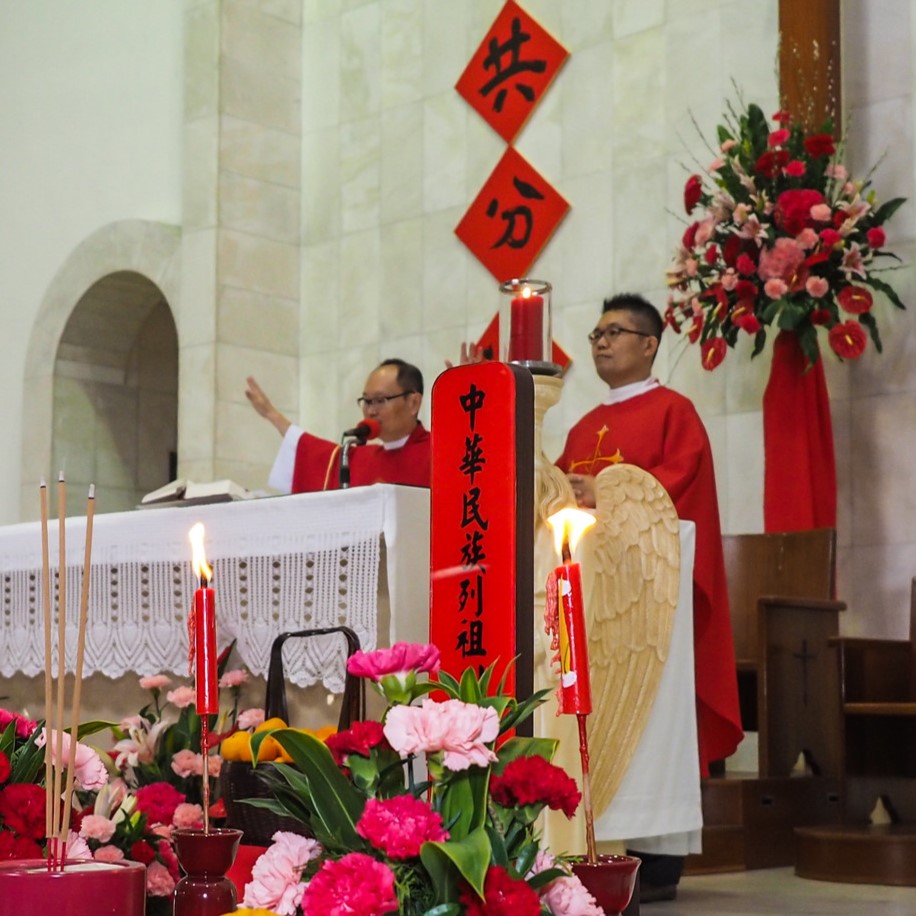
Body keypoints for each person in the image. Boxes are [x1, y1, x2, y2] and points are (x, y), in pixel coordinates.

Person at [555, 293, 743, 901]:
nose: (602, 341)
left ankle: (657, 858)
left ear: (649, 344)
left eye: (616, 331)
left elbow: (676, 488)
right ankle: (596, 841)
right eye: (597, 332)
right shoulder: (583, 424)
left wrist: (605, 493)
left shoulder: (674, 412)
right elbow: (555, 492)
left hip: (648, 599)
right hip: (593, 601)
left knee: (650, 713)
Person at [246, 358, 430, 493]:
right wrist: (272, 415)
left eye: (380, 400)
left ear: (413, 403)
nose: (371, 411)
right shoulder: (355, 458)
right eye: (367, 401)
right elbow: (316, 455)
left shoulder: (439, 453)